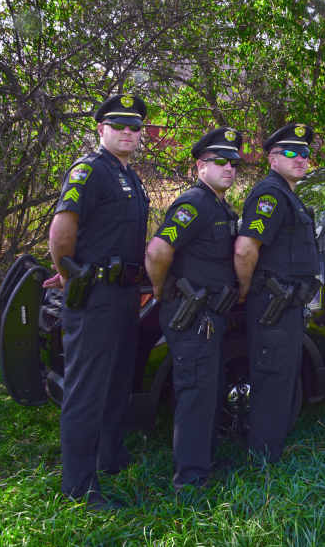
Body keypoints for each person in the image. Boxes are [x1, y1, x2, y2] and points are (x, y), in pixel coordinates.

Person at [46, 94, 149, 510]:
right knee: (87, 392)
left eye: (135, 126)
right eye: (119, 124)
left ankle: (110, 457)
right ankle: (79, 486)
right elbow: (61, 234)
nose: (128, 131)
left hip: (123, 294)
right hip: (94, 296)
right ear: (101, 129)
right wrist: (71, 275)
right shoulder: (90, 170)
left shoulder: (130, 175)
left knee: (116, 384)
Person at [145, 128, 242, 490]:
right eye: (220, 161)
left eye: (233, 162)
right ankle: (190, 480)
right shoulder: (195, 203)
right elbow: (157, 251)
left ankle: (203, 460)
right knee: (196, 393)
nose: (229, 167)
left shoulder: (219, 205)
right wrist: (161, 290)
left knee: (208, 390)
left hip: (209, 316)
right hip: (190, 315)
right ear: (201, 166)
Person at [233, 123, 320, 463]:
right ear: (271, 158)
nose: (299, 158)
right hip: (273, 304)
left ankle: (272, 452)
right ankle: (263, 462)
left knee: (283, 379)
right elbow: (245, 249)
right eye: (290, 152)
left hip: (287, 306)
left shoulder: (289, 195)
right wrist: (245, 288)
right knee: (271, 381)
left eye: (305, 153)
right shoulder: (270, 193)